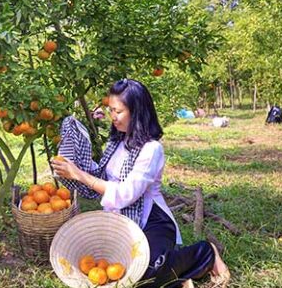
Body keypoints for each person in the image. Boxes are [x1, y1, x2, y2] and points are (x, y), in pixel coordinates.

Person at [51, 79, 231, 288]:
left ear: (136, 112)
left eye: (118, 111)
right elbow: (101, 175)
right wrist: (72, 166)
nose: (112, 117)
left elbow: (127, 194)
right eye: (110, 110)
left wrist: (81, 175)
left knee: (145, 275)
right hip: (121, 221)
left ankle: (204, 253)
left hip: (153, 220)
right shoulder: (116, 142)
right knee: (120, 276)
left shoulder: (151, 149)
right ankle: (178, 279)